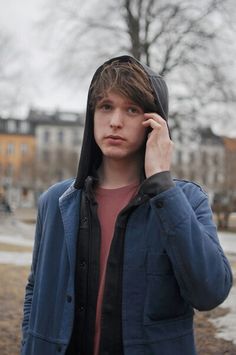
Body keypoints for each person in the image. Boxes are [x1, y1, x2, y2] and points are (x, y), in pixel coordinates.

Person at [21, 55, 233, 355]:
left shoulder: (185, 201)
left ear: (153, 122)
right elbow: (35, 291)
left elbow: (210, 292)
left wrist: (162, 185)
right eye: (106, 106)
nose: (115, 121)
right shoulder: (56, 202)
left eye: (131, 109)